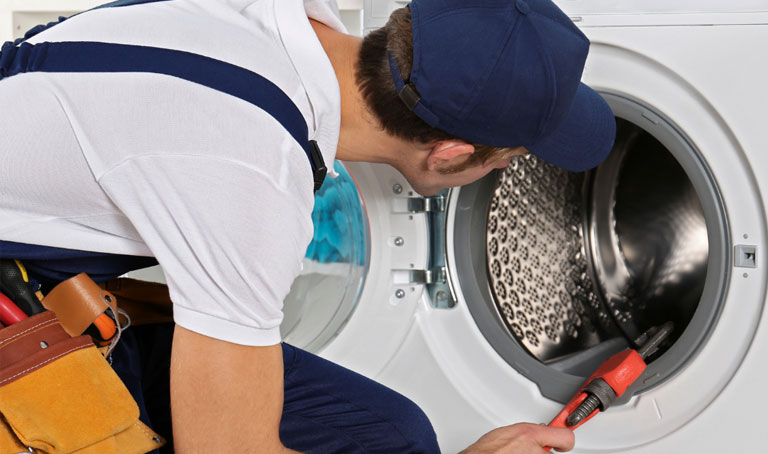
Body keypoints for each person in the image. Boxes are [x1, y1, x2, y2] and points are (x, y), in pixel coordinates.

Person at [0, 0, 615, 452]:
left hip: (33, 272)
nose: (502, 171)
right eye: (507, 159)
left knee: (390, 435)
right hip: (16, 316)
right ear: (451, 153)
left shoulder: (276, 17)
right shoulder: (252, 174)